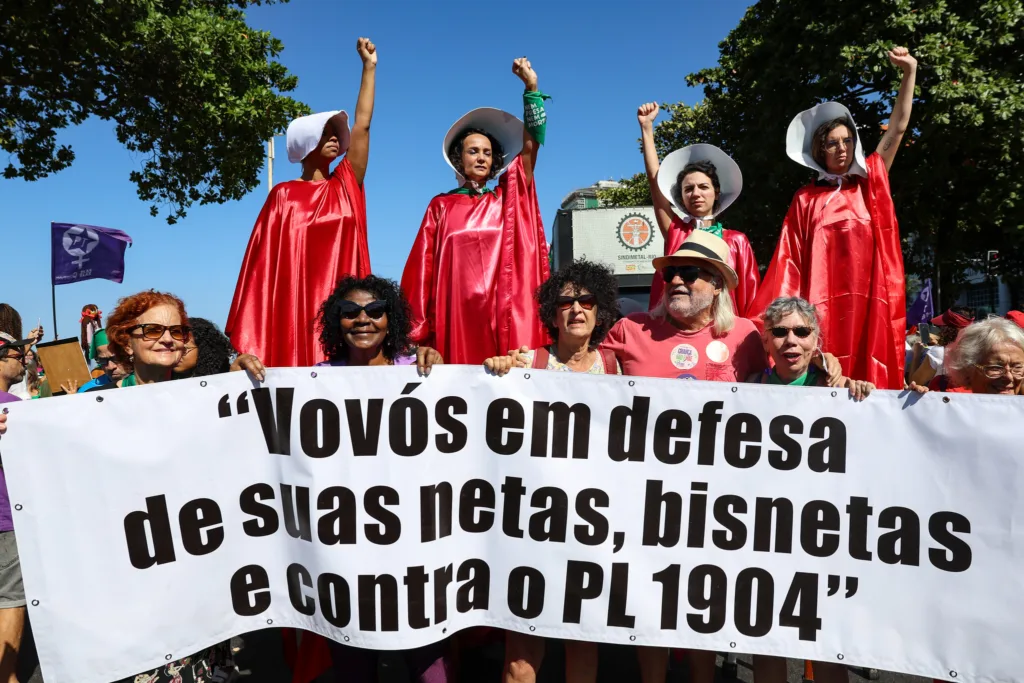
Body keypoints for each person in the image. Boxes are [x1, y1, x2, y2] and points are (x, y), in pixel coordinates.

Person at [749, 47, 918, 390]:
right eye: (832, 142)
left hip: (871, 299)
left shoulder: (871, 180)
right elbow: (789, 260)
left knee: (869, 364)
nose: (841, 148)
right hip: (821, 304)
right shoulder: (806, 198)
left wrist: (908, 73)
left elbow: (897, 129)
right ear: (819, 150)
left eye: (847, 141)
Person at [483, 259, 619, 683]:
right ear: (551, 312)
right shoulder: (526, 363)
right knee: (522, 654)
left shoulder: (618, 366)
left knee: (583, 643)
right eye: (565, 301)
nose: (576, 308)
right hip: (532, 526)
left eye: (586, 300)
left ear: (600, 311)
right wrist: (499, 373)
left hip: (592, 527)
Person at [314, 275, 447, 683]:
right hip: (348, 546)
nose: (363, 320)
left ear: (391, 319)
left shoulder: (421, 370)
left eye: (374, 311)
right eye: (350, 312)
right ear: (337, 322)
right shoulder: (316, 379)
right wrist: (238, 375)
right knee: (354, 667)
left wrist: (442, 368)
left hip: (414, 547)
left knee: (430, 667)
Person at [227, 37, 377, 367]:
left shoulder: (346, 184)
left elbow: (363, 126)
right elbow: (261, 270)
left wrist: (369, 69)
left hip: (347, 315)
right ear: (304, 141)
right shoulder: (283, 196)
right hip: (294, 316)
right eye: (327, 133)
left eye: (337, 133)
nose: (336, 138)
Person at [401, 57, 550, 365]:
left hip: (504, 318)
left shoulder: (508, 199)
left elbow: (531, 147)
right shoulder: (440, 206)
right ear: (459, 158)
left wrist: (531, 89)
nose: (481, 158)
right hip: (454, 320)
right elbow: (421, 274)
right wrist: (419, 338)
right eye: (473, 151)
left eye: (487, 152)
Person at [636, 102, 759, 315]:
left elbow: (750, 295)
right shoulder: (676, 231)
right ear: (681, 197)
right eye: (688, 188)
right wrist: (647, 128)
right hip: (680, 327)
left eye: (703, 187)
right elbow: (655, 182)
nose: (696, 193)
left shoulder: (737, 241)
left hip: (723, 329)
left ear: (716, 192)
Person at [0, 322, 36, 683]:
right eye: (15, 354)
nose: (22, 360)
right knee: (9, 600)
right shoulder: (15, 409)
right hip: (7, 522)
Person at [943, 318, 1024, 395]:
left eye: (1017, 367)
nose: (1009, 377)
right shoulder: (950, 406)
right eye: (996, 368)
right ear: (967, 370)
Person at [174, 317, 263, 379]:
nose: (176, 355)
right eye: (172, 349)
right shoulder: (164, 382)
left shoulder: (223, 382)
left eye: (184, 350)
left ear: (204, 351)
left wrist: (236, 376)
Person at [909, 307, 974, 389]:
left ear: (948, 329)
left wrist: (916, 354)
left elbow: (913, 382)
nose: (940, 330)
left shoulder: (938, 353)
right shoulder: (977, 351)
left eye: (941, 326)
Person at [77, 328, 133, 392]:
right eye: (103, 360)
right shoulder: (87, 391)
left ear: (130, 353)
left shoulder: (145, 381)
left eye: (116, 358)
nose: (110, 367)